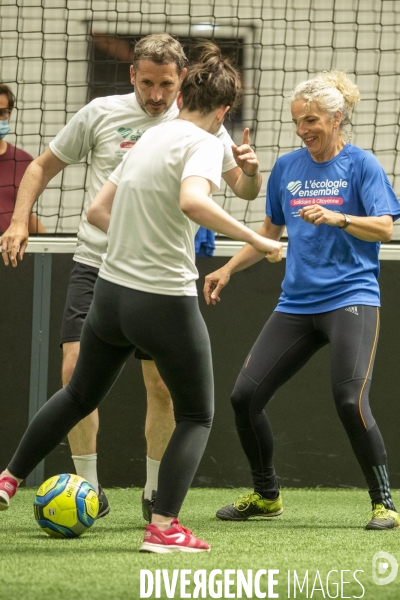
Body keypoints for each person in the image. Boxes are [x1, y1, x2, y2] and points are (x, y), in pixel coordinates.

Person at [0, 41, 283, 553]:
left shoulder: (151, 138)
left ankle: (9, 478)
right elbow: (193, 201)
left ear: (184, 89)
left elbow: (97, 211)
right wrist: (258, 240)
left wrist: (144, 235)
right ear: (223, 110)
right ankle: (165, 526)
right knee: (198, 414)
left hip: (111, 292)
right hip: (162, 298)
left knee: (78, 394)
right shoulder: (200, 142)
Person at [204, 69, 400, 531]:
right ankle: (267, 496)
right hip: (296, 304)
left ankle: (383, 503)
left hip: (351, 297)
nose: (303, 130)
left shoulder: (362, 165)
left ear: (336, 118)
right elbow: (269, 234)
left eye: (311, 120)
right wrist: (229, 269)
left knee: (349, 397)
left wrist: (338, 219)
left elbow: (386, 228)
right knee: (243, 397)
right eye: (297, 121)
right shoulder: (288, 169)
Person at [0, 83, 45, 234]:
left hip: (10, 253)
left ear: (9, 113)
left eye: (1, 113)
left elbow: (25, 216)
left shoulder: (24, 161)